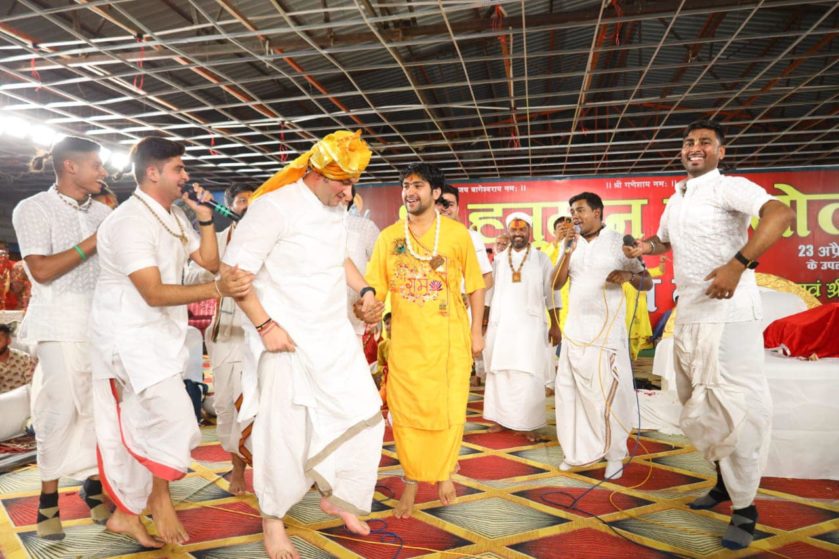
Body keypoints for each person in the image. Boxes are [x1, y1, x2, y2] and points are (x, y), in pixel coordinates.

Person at [624, 119, 794, 550]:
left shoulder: (728, 186)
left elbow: (781, 214)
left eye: (705, 142)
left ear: (721, 151)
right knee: (699, 402)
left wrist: (738, 265)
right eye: (688, 142)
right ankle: (724, 484)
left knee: (738, 408)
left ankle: (746, 510)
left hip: (730, 313)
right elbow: (663, 242)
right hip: (693, 313)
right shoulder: (677, 196)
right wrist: (643, 248)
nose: (694, 148)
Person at [223, 130, 385, 559]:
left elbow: (339, 258)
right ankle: (272, 521)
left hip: (333, 337)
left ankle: (339, 495)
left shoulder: (335, 208)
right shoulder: (272, 208)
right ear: (314, 172)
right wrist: (265, 326)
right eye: (341, 183)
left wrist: (365, 290)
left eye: (352, 184)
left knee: (365, 415)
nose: (348, 193)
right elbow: (235, 275)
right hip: (284, 343)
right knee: (285, 435)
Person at [90, 136, 251, 548]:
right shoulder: (128, 222)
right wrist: (217, 290)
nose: (185, 175)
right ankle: (159, 501)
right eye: (178, 168)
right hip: (128, 338)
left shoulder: (173, 217)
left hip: (161, 338)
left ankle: (127, 515)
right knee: (178, 420)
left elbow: (210, 261)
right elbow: (153, 292)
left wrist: (204, 218)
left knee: (151, 424)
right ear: (152, 172)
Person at [366, 162, 485, 518]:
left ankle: (445, 472)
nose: (410, 191)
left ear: (435, 193)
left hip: (449, 341)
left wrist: (477, 331)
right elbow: (376, 285)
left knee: (448, 411)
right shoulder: (389, 237)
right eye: (405, 185)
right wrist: (369, 306)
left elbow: (477, 285)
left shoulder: (456, 234)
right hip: (405, 343)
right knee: (405, 414)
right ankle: (412, 481)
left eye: (418, 185)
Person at [12, 136, 113, 539]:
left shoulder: (104, 215)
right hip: (57, 325)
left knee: (97, 411)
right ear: (71, 167)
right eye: (96, 165)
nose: (103, 173)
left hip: (101, 327)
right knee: (59, 412)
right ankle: (47, 502)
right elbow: (42, 270)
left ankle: (92, 485)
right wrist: (95, 241)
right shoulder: (33, 208)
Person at [552, 192, 652, 480]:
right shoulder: (571, 244)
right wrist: (567, 250)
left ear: (597, 212)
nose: (575, 216)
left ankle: (615, 454)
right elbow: (556, 284)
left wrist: (628, 275)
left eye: (580, 210)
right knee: (571, 392)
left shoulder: (619, 241)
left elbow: (646, 281)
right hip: (576, 332)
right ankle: (577, 452)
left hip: (607, 333)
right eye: (572, 210)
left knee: (609, 394)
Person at [187, 183, 255, 495]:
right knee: (228, 403)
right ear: (229, 206)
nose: (248, 208)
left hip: (266, 334)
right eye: (242, 201)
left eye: (255, 202)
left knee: (269, 403)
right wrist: (217, 272)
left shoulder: (273, 242)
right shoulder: (216, 240)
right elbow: (189, 276)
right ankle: (237, 469)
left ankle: (275, 470)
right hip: (228, 334)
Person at [482, 212, 561, 442]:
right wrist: (483, 325)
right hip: (502, 325)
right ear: (509, 232)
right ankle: (499, 418)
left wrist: (556, 324)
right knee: (500, 371)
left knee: (528, 374)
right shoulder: (497, 260)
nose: (518, 233)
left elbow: (552, 293)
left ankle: (526, 423)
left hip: (530, 327)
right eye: (514, 230)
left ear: (530, 232)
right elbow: (488, 295)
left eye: (522, 229)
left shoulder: (542, 259)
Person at [436, 183, 494, 290]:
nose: (445, 208)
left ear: (457, 209)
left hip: (464, 305)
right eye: (440, 203)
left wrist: (469, 297)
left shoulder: (472, 237)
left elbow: (487, 278)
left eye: (450, 204)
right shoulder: (422, 239)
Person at [345, 188, 381, 343]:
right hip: (307, 325)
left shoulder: (364, 227)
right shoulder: (304, 226)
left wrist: (369, 295)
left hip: (353, 323)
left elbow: (380, 269)